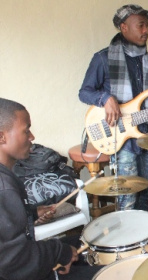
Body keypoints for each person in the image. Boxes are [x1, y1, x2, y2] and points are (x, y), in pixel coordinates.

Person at [79, 4, 148, 214]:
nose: (146, 30)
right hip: (121, 140)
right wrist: (105, 98)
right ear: (124, 27)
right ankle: (126, 242)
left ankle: (146, 239)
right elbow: (85, 92)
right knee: (128, 196)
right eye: (141, 25)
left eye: (147, 26)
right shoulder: (102, 58)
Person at [0, 98, 101, 280]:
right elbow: (13, 260)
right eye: (26, 130)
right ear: (1, 137)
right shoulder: (4, 188)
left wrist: (32, 213)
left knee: (90, 240)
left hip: (23, 260)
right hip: (20, 270)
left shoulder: (7, 178)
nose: (32, 137)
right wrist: (60, 252)